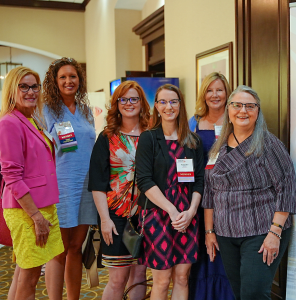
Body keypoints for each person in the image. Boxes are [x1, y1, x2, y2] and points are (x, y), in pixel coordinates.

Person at [202, 85, 296, 300]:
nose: (243, 111)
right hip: (226, 233)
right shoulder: (218, 147)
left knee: (254, 294)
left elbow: (287, 188)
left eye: (250, 106)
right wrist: (209, 232)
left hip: (261, 230)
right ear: (229, 109)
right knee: (240, 293)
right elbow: (209, 190)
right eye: (237, 105)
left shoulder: (269, 144)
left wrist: (275, 233)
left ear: (257, 111)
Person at [0, 66, 64, 300]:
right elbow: (12, 176)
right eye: (23, 86)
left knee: (24, 272)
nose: (31, 91)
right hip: (28, 211)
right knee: (30, 277)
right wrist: (36, 217)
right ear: (12, 90)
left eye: (34, 86)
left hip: (43, 206)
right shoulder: (8, 123)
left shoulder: (30, 118)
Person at [135, 84, 205, 300]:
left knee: (182, 278)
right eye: (163, 102)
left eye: (173, 101)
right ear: (156, 107)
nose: (168, 106)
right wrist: (172, 211)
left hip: (187, 218)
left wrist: (192, 211)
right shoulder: (148, 138)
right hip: (158, 215)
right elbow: (144, 180)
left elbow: (200, 180)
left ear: (180, 105)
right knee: (162, 280)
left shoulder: (193, 141)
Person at [88, 81, 150, 300]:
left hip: (147, 214)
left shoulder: (152, 135)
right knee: (117, 278)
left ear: (142, 103)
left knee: (140, 274)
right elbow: (97, 183)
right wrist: (105, 219)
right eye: (123, 99)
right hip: (115, 217)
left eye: (134, 99)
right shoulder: (107, 137)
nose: (129, 103)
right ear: (116, 104)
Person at [42, 57, 97, 300]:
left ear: (79, 80)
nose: (68, 81)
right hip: (60, 185)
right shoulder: (45, 110)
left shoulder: (85, 110)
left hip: (86, 185)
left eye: (72, 76)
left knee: (76, 248)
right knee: (58, 251)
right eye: (63, 77)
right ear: (55, 82)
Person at [187, 72, 234, 300]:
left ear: (227, 93)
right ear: (203, 94)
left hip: (228, 196)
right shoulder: (193, 122)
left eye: (219, 90)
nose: (215, 95)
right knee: (201, 248)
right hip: (198, 194)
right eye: (209, 90)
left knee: (224, 250)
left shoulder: (235, 118)